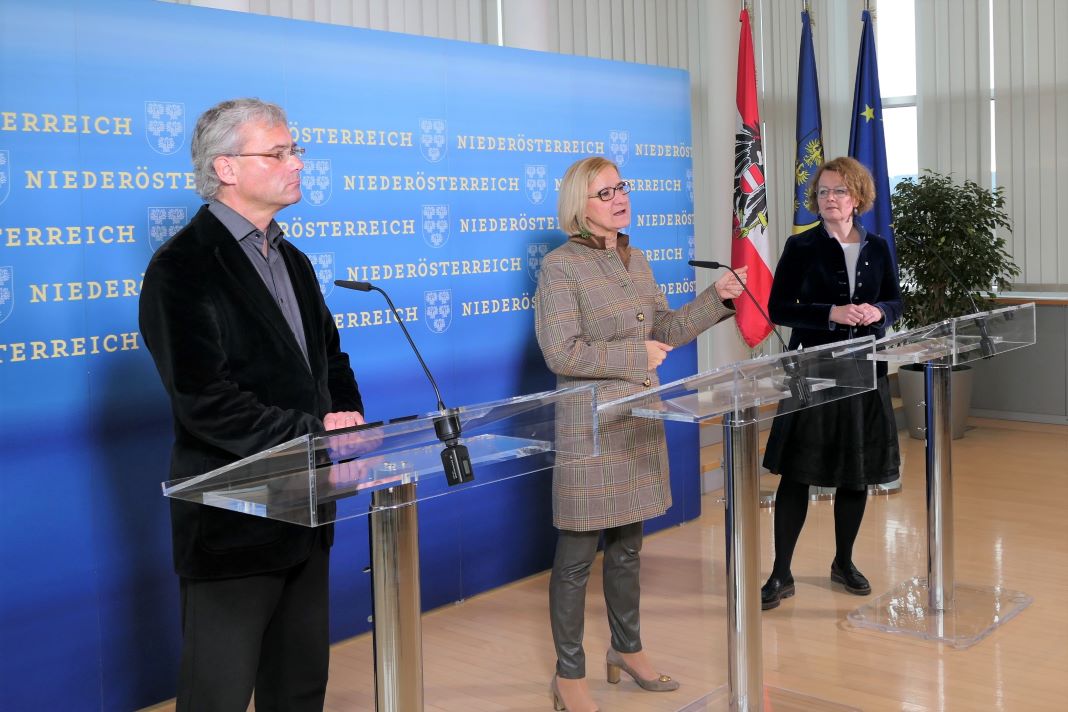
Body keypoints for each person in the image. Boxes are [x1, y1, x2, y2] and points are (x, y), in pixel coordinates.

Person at [139, 98, 365, 711]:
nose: (298, 163)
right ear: (227, 168)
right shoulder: (180, 269)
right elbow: (203, 402)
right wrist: (314, 433)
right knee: (218, 694)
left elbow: (331, 363)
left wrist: (345, 418)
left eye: (296, 150)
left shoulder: (293, 259)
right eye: (280, 152)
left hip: (307, 511)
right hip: (232, 522)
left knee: (299, 688)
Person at [534, 156, 746, 712]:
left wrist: (717, 299)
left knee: (628, 548)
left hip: (638, 418)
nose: (620, 198)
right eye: (606, 193)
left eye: (621, 188)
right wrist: (634, 355)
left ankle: (627, 649)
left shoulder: (637, 259)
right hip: (591, 427)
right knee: (578, 553)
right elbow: (561, 352)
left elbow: (666, 331)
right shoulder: (560, 267)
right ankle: (569, 673)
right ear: (580, 205)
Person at [759, 156, 903, 611]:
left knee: (855, 473)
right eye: (822, 192)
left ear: (856, 198)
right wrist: (829, 313)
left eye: (838, 191)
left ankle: (844, 561)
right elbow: (779, 308)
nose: (828, 199)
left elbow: (896, 300)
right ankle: (780, 572)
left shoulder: (878, 246)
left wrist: (879, 313)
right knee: (798, 473)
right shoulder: (800, 247)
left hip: (865, 368)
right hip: (815, 370)